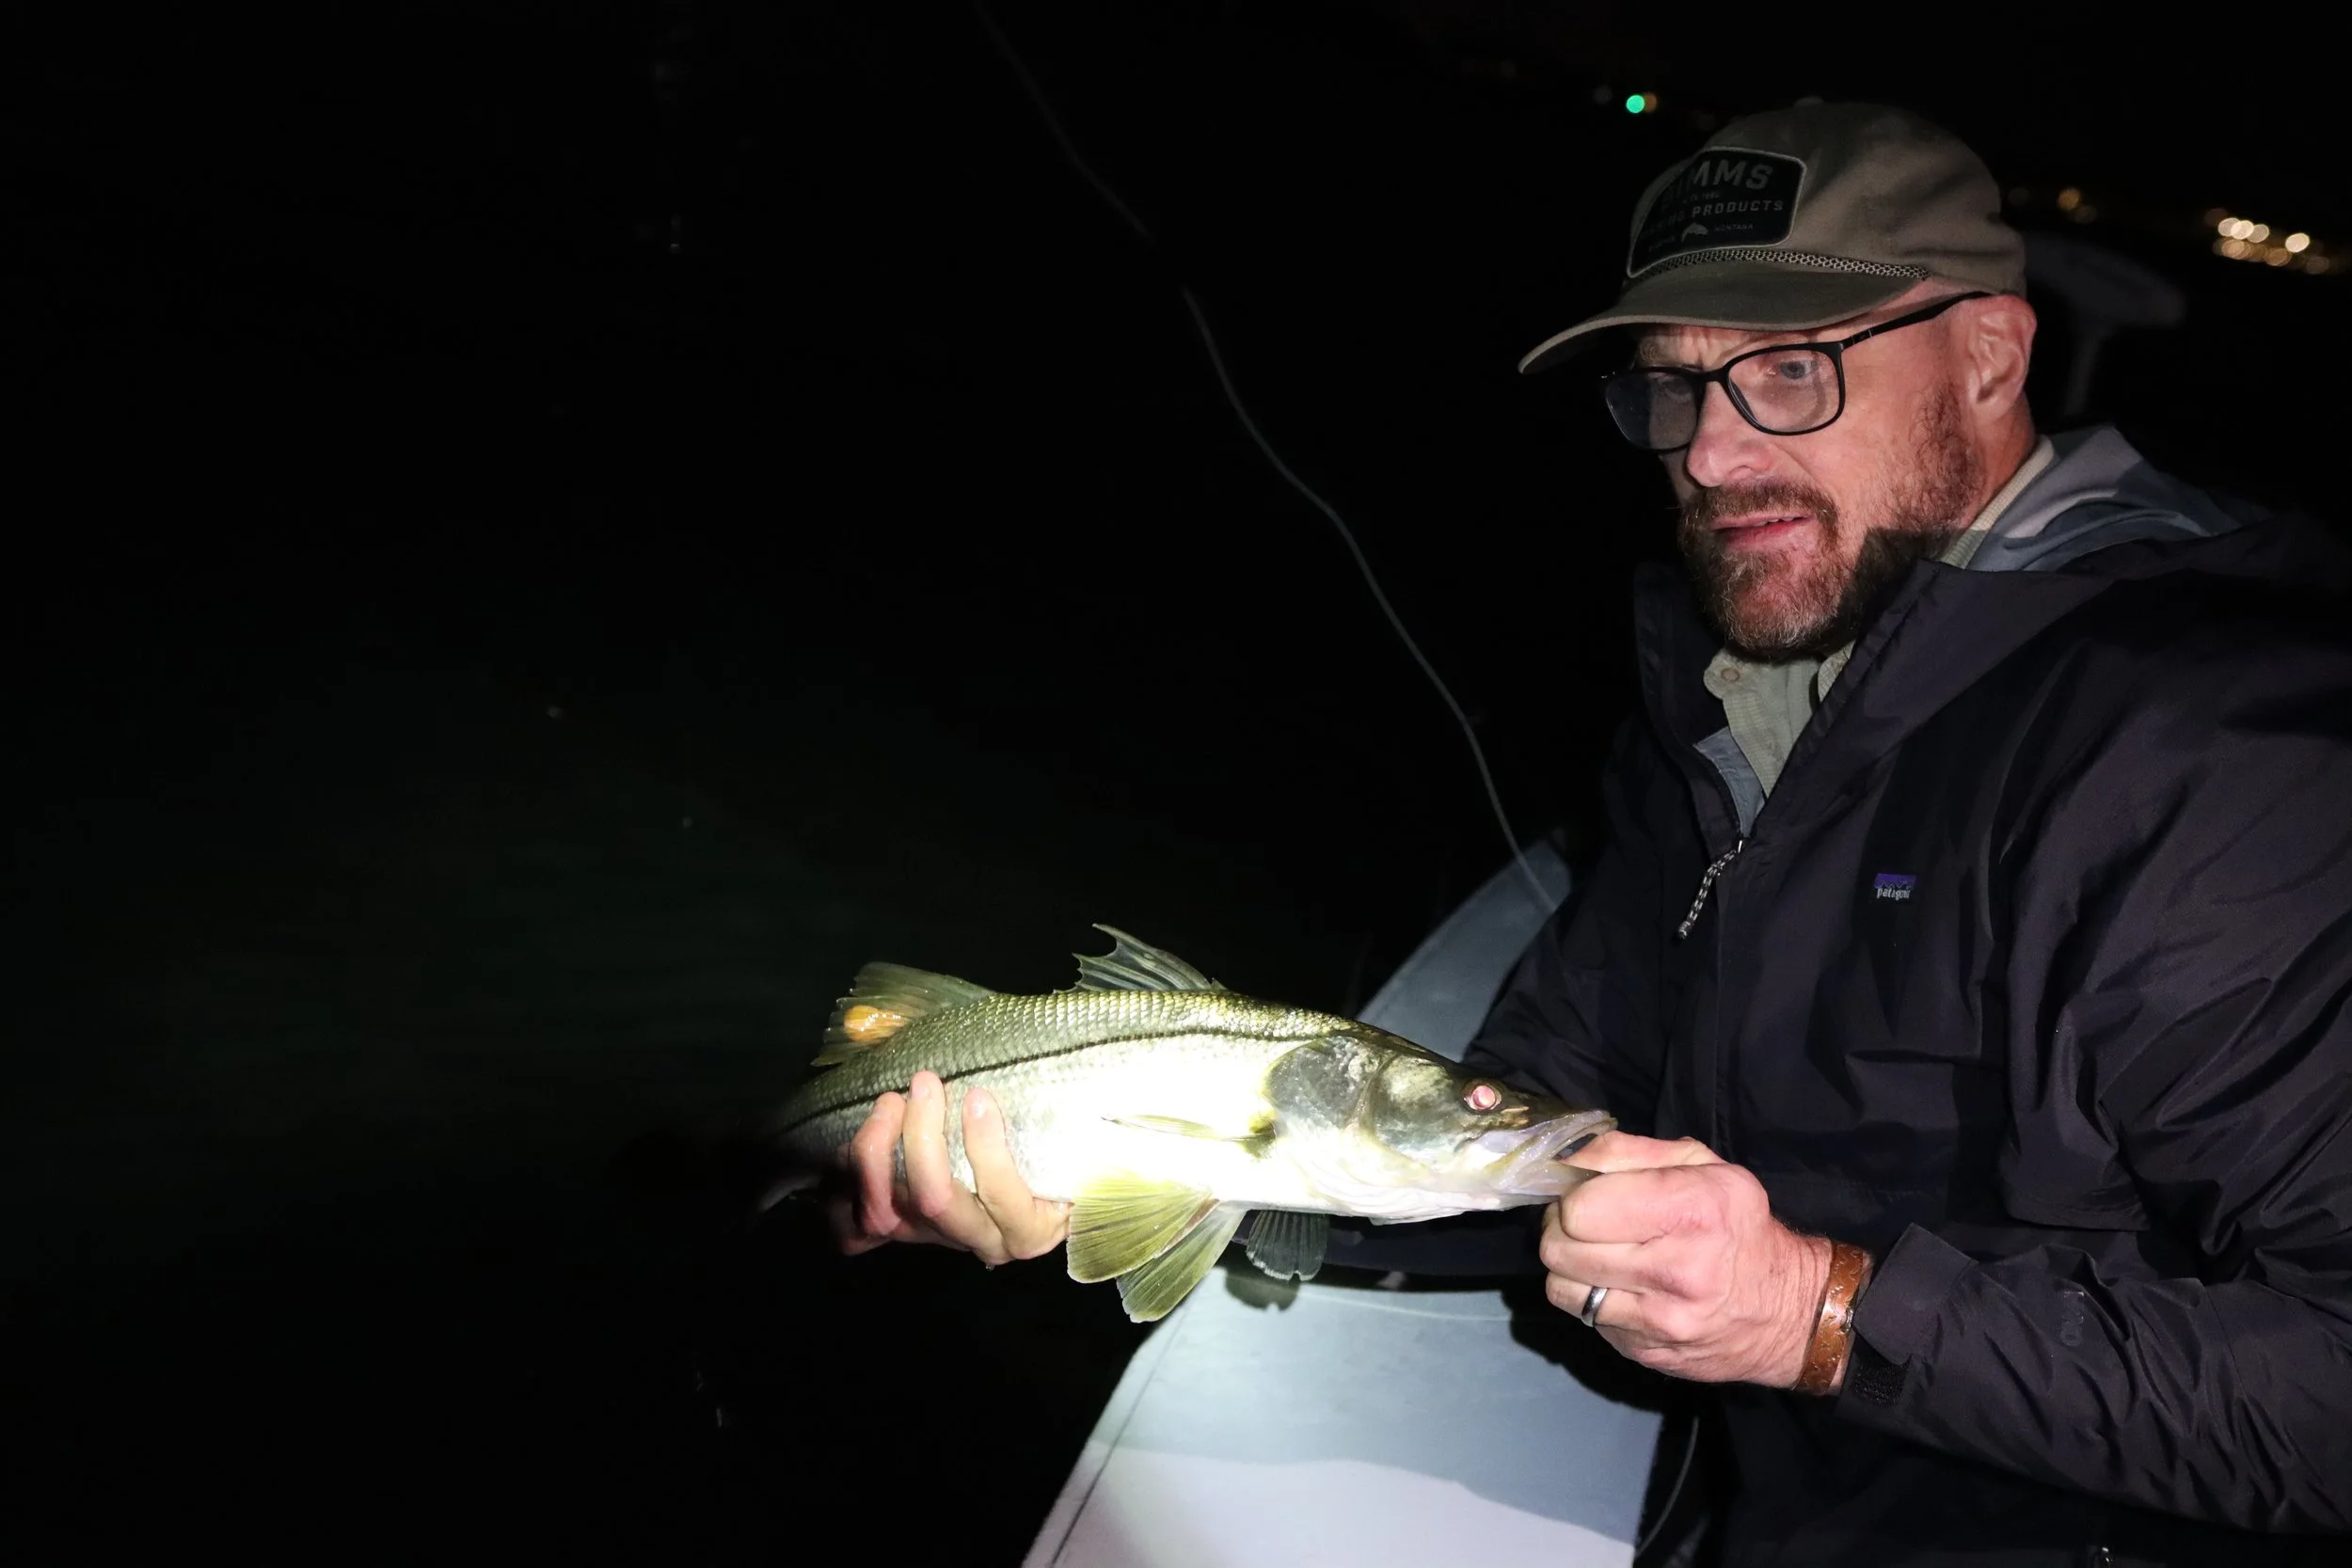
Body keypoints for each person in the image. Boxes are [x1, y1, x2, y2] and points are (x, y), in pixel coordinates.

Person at [828, 103, 2352, 1565]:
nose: (1709, 452)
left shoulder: (2216, 754)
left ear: (1990, 357)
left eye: (1793, 370)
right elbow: (1550, 1103)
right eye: (1675, 384)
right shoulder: (1731, 695)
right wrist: (1143, 1168)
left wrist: (1823, 1312)